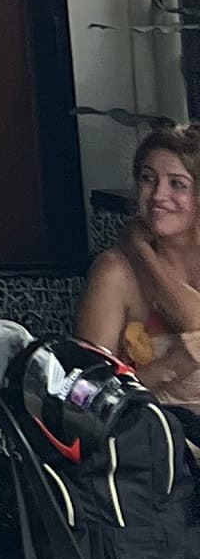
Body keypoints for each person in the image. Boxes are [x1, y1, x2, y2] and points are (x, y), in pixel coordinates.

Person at [78, 121, 200, 412]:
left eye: (176, 184)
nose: (158, 194)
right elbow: (87, 397)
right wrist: (171, 365)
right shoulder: (114, 274)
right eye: (148, 178)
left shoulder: (137, 250)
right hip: (162, 435)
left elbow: (194, 321)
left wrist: (140, 249)